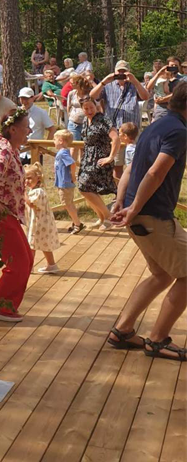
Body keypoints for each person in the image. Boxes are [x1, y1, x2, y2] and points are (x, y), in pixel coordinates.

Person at [107, 80, 187, 361]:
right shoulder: (178, 131)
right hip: (152, 215)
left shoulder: (156, 125)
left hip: (139, 213)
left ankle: (122, 331)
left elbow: (131, 168)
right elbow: (154, 173)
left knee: (162, 274)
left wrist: (122, 201)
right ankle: (157, 340)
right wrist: (133, 207)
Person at [0, 107, 32, 322]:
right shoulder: (4, 152)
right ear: (13, 129)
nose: (29, 131)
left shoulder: (10, 150)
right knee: (18, 262)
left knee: (26, 258)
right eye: (26, 127)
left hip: (4, 213)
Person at [90, 60, 148, 176]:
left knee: (136, 163)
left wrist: (135, 81)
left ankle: (133, 185)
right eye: (119, 72)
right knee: (117, 164)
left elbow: (145, 96)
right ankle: (119, 187)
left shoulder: (134, 85)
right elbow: (92, 95)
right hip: (115, 131)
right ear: (114, 72)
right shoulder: (108, 86)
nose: (121, 74)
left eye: (124, 72)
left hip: (132, 131)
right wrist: (104, 81)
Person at [77, 94, 120, 229]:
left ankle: (109, 217)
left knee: (84, 186)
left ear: (96, 106)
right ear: (82, 109)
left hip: (100, 159)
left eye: (91, 107)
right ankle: (101, 217)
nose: (89, 110)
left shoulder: (103, 120)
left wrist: (111, 157)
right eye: (86, 108)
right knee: (85, 188)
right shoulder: (85, 120)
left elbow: (116, 138)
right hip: (87, 159)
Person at [24, 163, 60, 274]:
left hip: (39, 223)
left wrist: (23, 194)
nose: (27, 181)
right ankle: (51, 264)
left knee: (32, 245)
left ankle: (29, 267)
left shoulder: (38, 192)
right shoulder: (34, 191)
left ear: (38, 178)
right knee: (44, 244)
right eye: (25, 179)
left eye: (30, 178)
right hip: (40, 223)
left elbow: (31, 204)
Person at [53, 130, 84, 234]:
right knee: (69, 203)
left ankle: (77, 224)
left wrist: (72, 176)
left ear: (61, 141)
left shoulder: (63, 153)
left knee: (67, 204)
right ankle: (76, 222)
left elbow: (72, 164)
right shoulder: (63, 152)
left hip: (65, 183)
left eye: (55, 139)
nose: (53, 142)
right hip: (63, 182)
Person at [19, 86, 55, 153]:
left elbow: (52, 129)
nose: (24, 101)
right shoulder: (16, 112)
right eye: (22, 98)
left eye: (26, 98)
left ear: (32, 98)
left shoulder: (41, 112)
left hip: (36, 151)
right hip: (20, 152)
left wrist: (45, 146)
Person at [65, 74, 92, 143]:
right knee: (74, 145)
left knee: (86, 145)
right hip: (73, 124)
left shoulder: (89, 94)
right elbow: (68, 106)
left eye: (72, 83)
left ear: (78, 84)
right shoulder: (72, 93)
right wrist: (70, 116)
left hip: (87, 124)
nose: (70, 85)